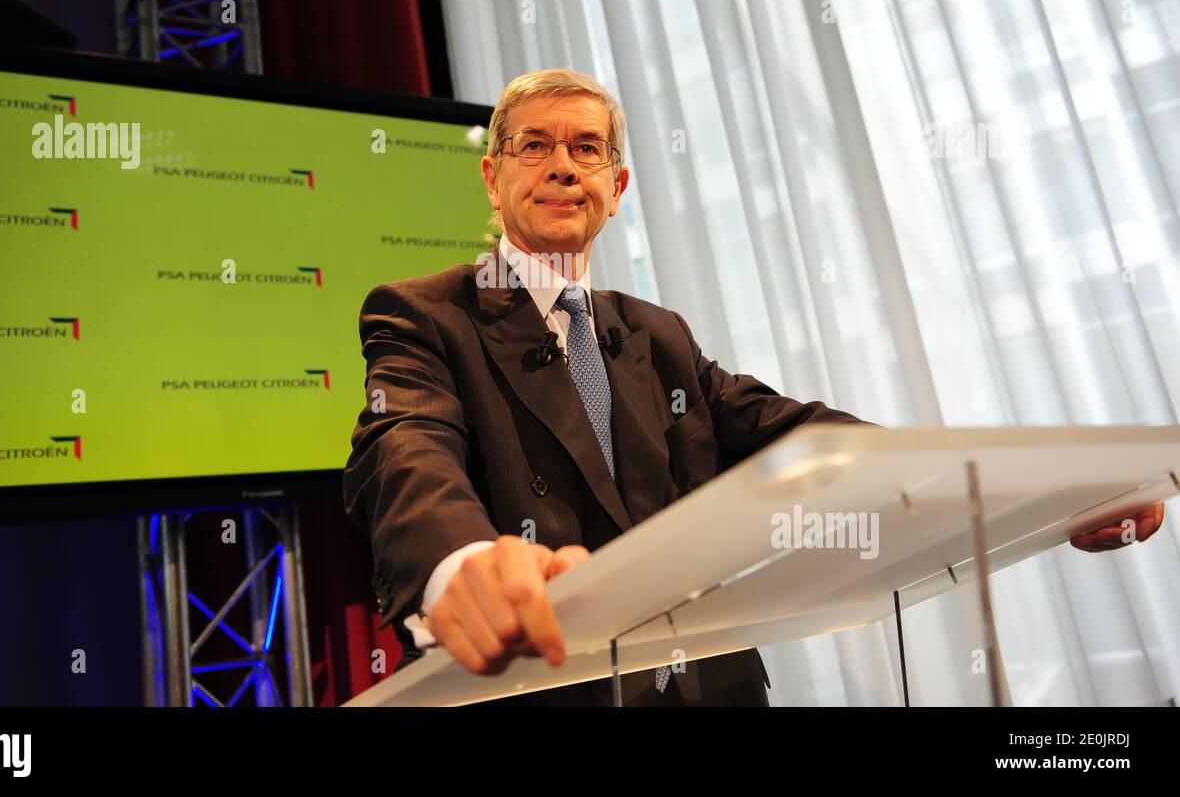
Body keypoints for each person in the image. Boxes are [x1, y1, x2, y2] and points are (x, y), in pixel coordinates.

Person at [343, 68, 1165, 706]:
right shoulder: (424, 314)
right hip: (544, 688)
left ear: (617, 189)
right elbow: (403, 449)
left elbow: (797, 436)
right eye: (533, 146)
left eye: (586, 148)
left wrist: (1044, 495)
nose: (562, 166)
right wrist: (464, 565)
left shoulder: (655, 332)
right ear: (493, 178)